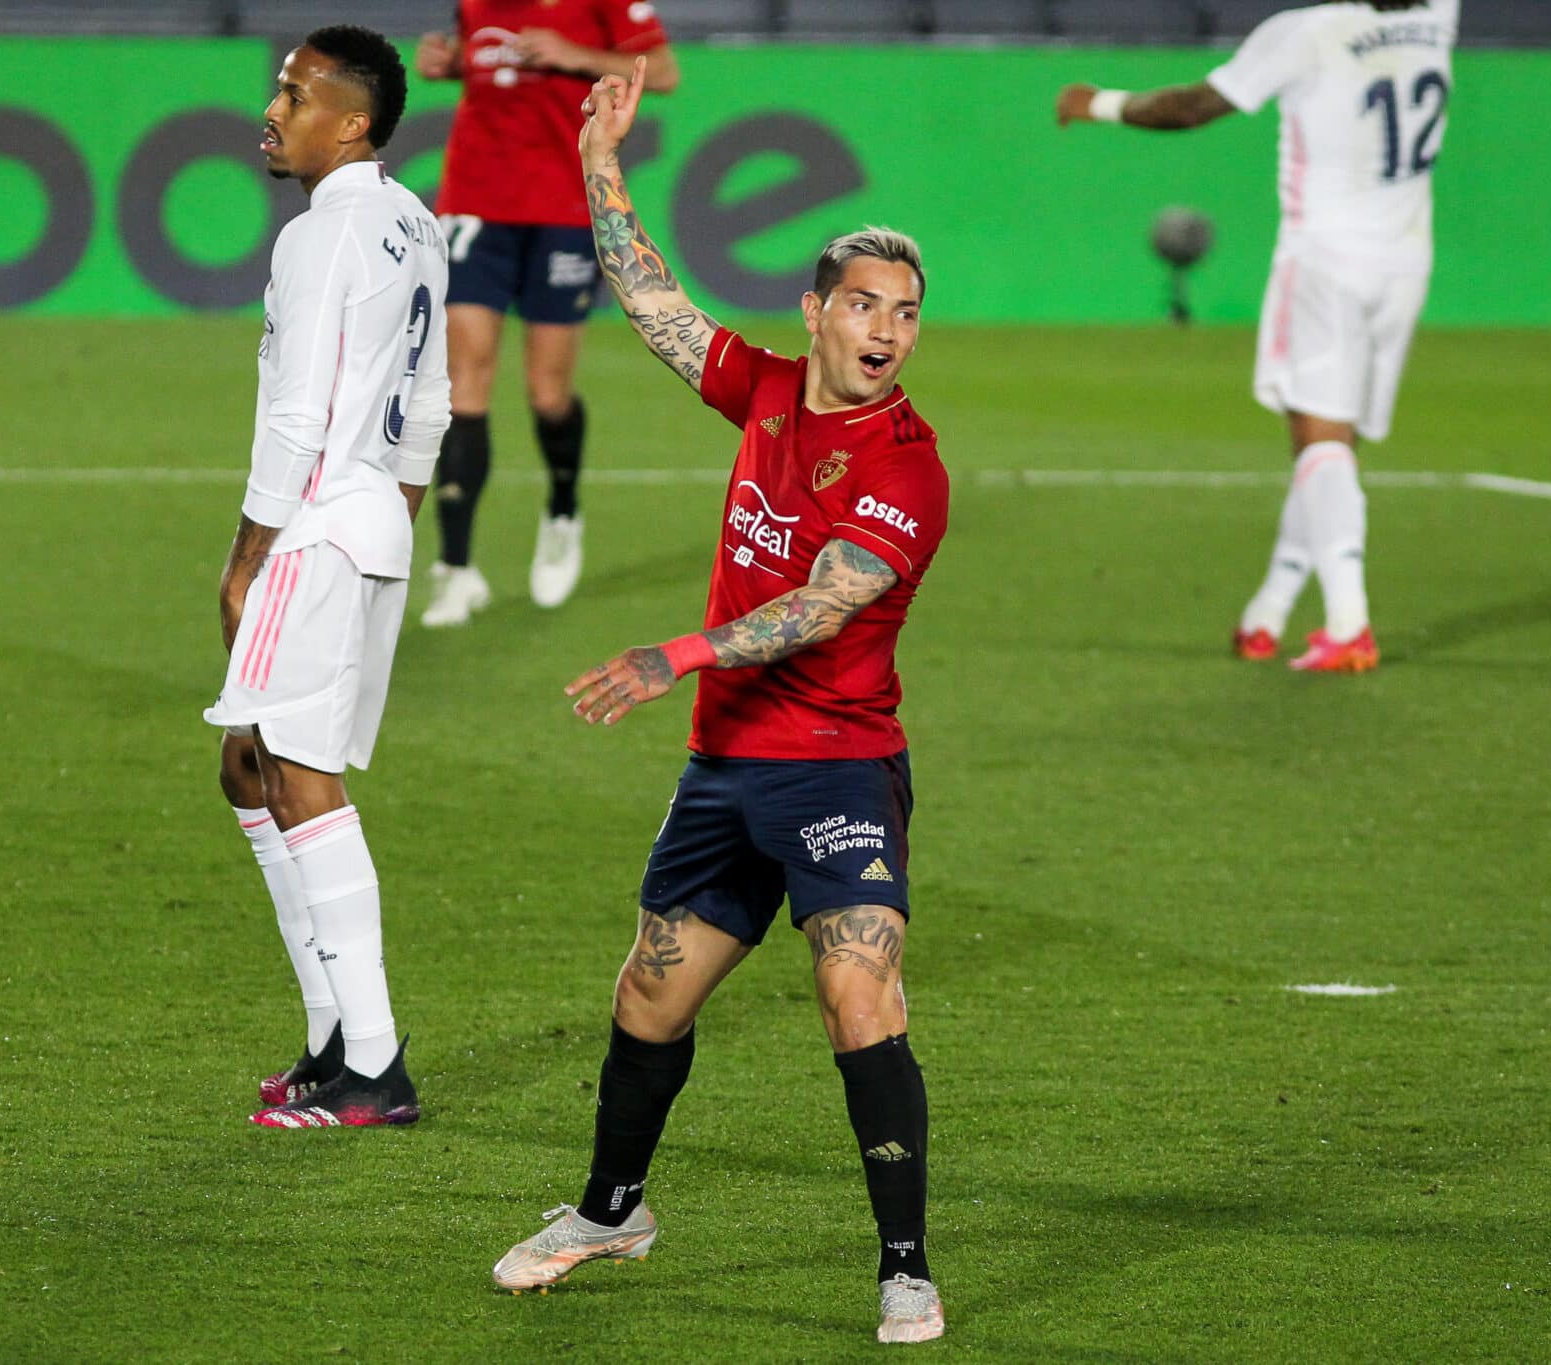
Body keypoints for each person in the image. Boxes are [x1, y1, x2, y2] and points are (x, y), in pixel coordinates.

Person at [490, 59, 950, 1346]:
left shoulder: (905, 464)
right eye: (863, 305)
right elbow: (648, 302)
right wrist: (598, 155)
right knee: (647, 1001)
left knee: (857, 991)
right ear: (813, 312)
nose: (885, 330)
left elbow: (824, 603)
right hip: (726, 769)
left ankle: (903, 1265)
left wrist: (675, 653)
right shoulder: (758, 387)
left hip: (836, 767)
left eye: (905, 313)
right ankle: (608, 1212)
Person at [1057, 0, 1459, 672]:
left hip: (1327, 260)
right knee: (1328, 451)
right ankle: (1267, 613)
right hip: (1406, 260)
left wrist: (1099, 103)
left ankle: (1348, 624)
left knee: (1319, 443)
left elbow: (1193, 107)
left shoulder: (1306, 32)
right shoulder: (1439, 14)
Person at [206, 26, 449, 1129]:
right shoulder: (412, 220)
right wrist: (383, 518)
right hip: (368, 525)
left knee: (298, 780)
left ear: (350, 122)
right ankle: (329, 1038)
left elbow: (299, 410)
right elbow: (431, 398)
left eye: (296, 94)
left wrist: (249, 556)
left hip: (312, 528)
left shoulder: (321, 237)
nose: (273, 107)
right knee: (249, 767)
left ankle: (375, 1066)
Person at [412, 0, 680, 627]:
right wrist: (451, 65)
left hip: (564, 206)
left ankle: (562, 510)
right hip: (476, 200)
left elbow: (663, 72)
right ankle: (456, 569)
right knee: (464, 384)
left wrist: (574, 55)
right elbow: (489, 63)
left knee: (547, 392)